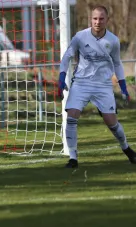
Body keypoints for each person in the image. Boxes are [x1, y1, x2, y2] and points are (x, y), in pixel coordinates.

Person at [58, 4, 136, 168]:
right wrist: (61, 78)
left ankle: (127, 149)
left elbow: (117, 64)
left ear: (107, 20)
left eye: (101, 18)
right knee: (72, 116)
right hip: (81, 83)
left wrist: (123, 87)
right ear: (90, 19)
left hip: (103, 86)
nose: (97, 22)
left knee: (111, 123)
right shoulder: (80, 37)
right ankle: (73, 158)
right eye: (95, 18)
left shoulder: (113, 40)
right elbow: (66, 58)